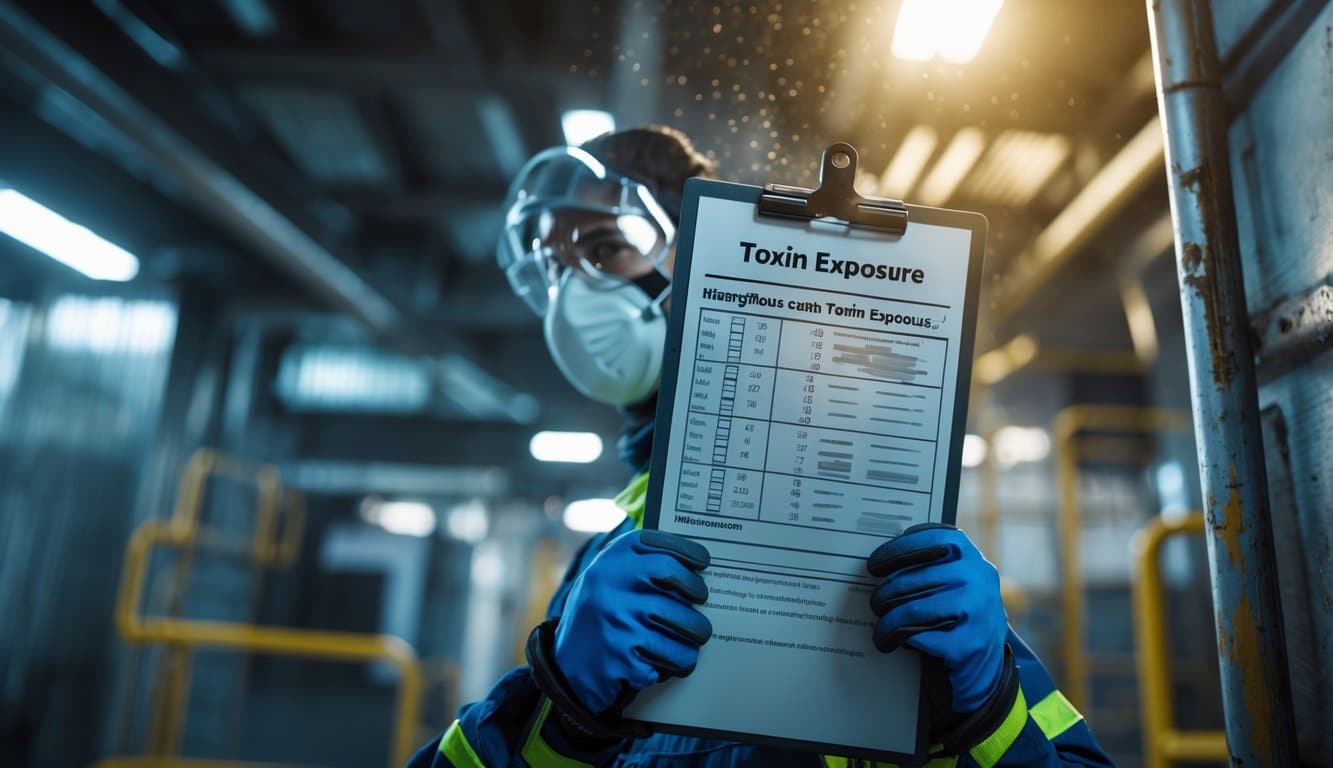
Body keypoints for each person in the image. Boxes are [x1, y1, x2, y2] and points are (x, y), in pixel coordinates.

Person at [409, 127, 1113, 768]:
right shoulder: (608, 565)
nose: (574, 295)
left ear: (701, 252)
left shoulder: (881, 533)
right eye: (556, 268)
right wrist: (558, 712)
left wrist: (987, 712)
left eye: (602, 250)